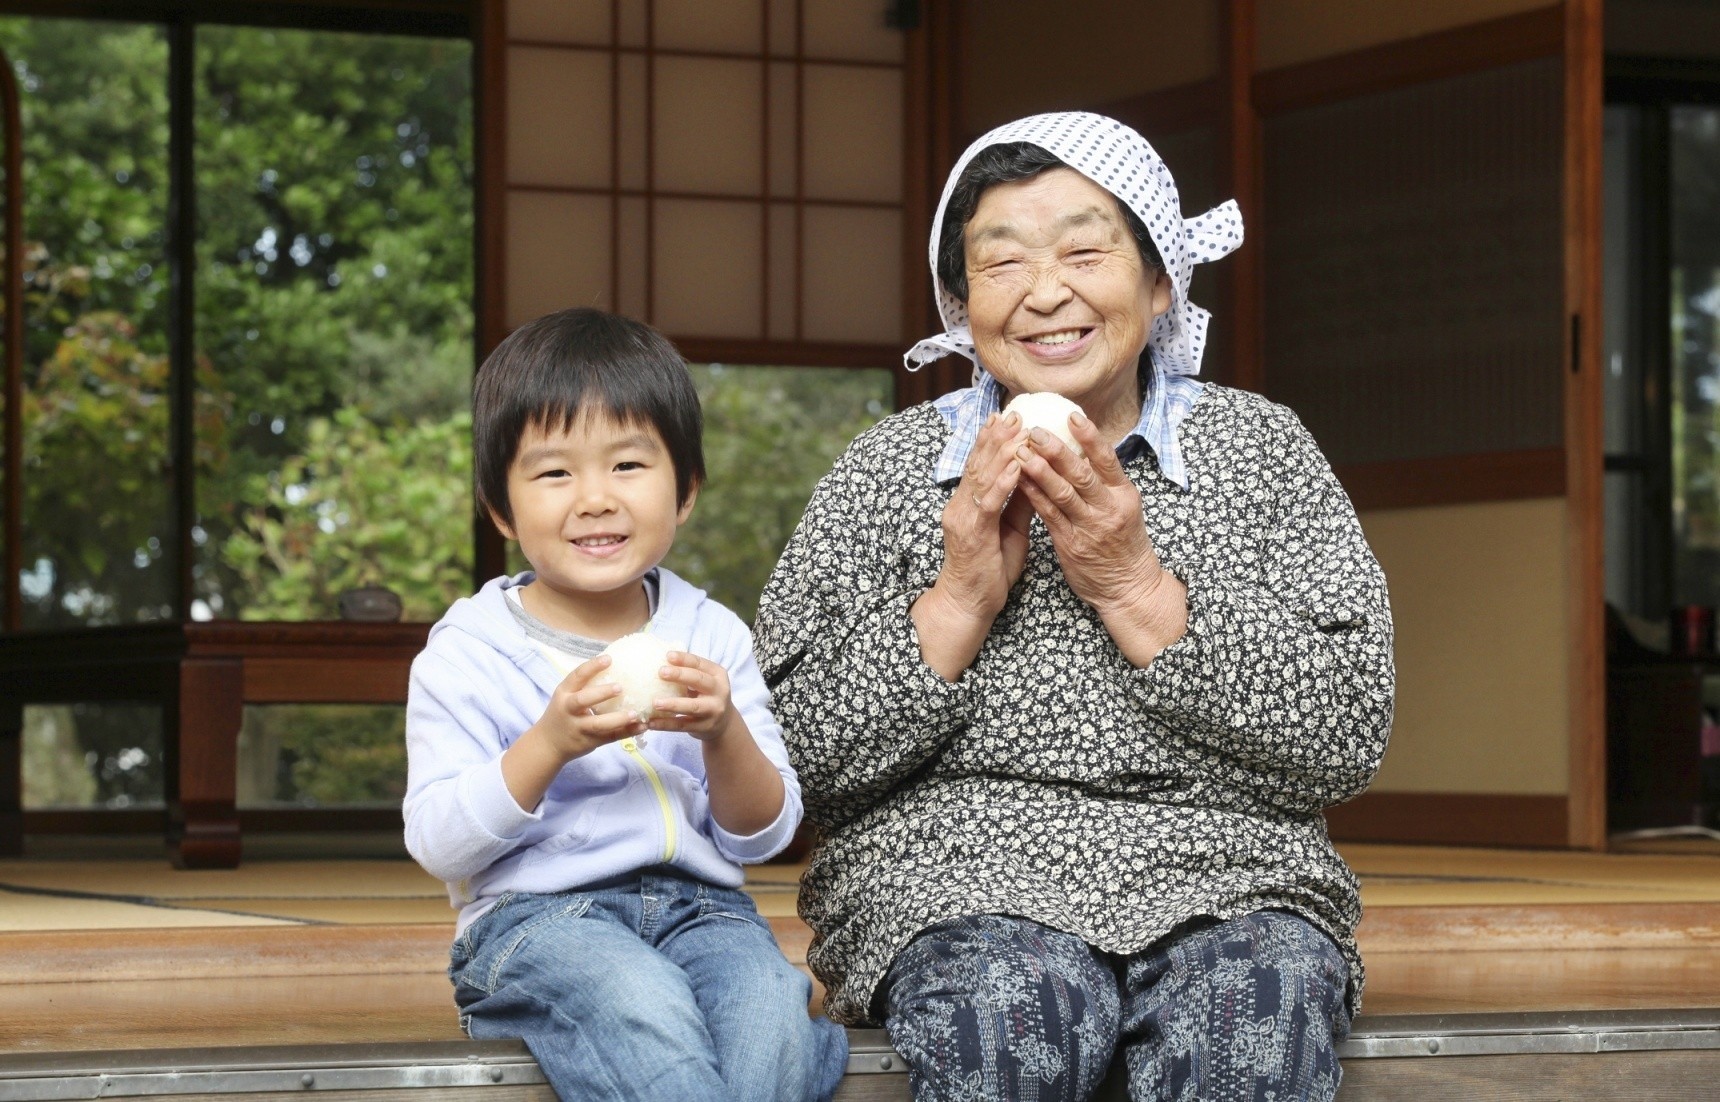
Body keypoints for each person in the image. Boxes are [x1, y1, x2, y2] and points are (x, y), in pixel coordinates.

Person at [754, 112, 1394, 1101]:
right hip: (952, 873)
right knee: (1000, 1017)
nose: (1046, 293)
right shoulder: (887, 469)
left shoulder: (1264, 451)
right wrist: (960, 593)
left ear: (1158, 278)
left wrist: (1134, 584)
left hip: (1230, 874)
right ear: (961, 305)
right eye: (1001, 264)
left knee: (1252, 1018)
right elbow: (790, 757)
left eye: (1085, 252)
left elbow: (1345, 730)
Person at [403, 307, 847, 1102]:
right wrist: (549, 742)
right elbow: (439, 842)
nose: (595, 499)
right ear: (501, 508)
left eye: (629, 466)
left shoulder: (711, 633)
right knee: (642, 1007)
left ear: (686, 491)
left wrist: (723, 731)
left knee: (770, 1015)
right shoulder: (468, 649)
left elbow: (766, 835)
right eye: (554, 473)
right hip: (536, 924)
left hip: (707, 916)